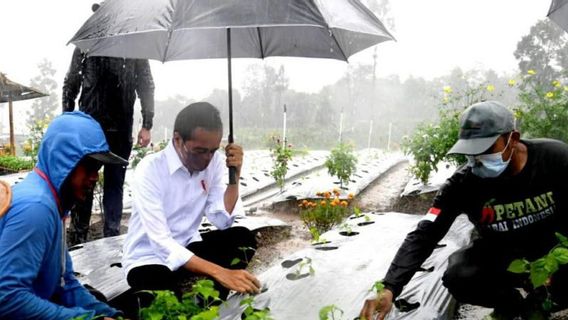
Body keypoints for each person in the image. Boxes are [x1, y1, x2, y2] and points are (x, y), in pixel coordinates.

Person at [360, 101, 568, 320]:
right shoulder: (464, 183)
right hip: (503, 256)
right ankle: (513, 305)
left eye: (486, 149)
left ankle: (548, 298)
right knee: (460, 275)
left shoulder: (555, 159)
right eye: (471, 152)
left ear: (512, 139)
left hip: (556, 252)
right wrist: (390, 287)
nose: (477, 159)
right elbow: (426, 233)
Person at [122, 102, 260, 303]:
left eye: (213, 151)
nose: (207, 159)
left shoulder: (213, 163)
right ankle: (196, 295)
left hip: (188, 246)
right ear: (177, 139)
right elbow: (161, 242)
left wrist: (234, 179)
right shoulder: (150, 170)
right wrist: (220, 272)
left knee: (242, 238)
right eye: (200, 151)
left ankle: (211, 303)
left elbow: (221, 219)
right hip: (149, 256)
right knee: (165, 303)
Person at [0, 111, 128, 319]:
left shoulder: (53, 203)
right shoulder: (36, 207)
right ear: (63, 160)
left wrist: (111, 314)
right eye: (88, 167)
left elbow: (64, 282)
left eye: (98, 168)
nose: (95, 177)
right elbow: (7, 297)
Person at [62, 2, 155, 244]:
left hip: (121, 128)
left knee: (115, 186)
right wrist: (67, 119)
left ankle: (111, 238)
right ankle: (78, 238)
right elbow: (71, 83)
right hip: (89, 128)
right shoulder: (86, 46)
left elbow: (145, 85)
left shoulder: (134, 47)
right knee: (83, 183)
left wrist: (147, 123)